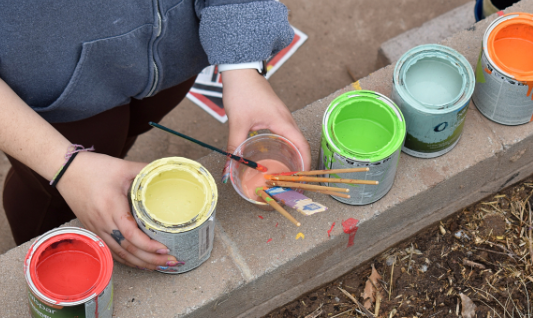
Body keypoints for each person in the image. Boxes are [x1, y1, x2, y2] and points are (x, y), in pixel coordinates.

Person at [0, 0, 311, 270]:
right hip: (51, 99)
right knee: (49, 195)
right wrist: (65, 167)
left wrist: (242, 63)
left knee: (120, 139)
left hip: (174, 58)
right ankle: (49, 253)